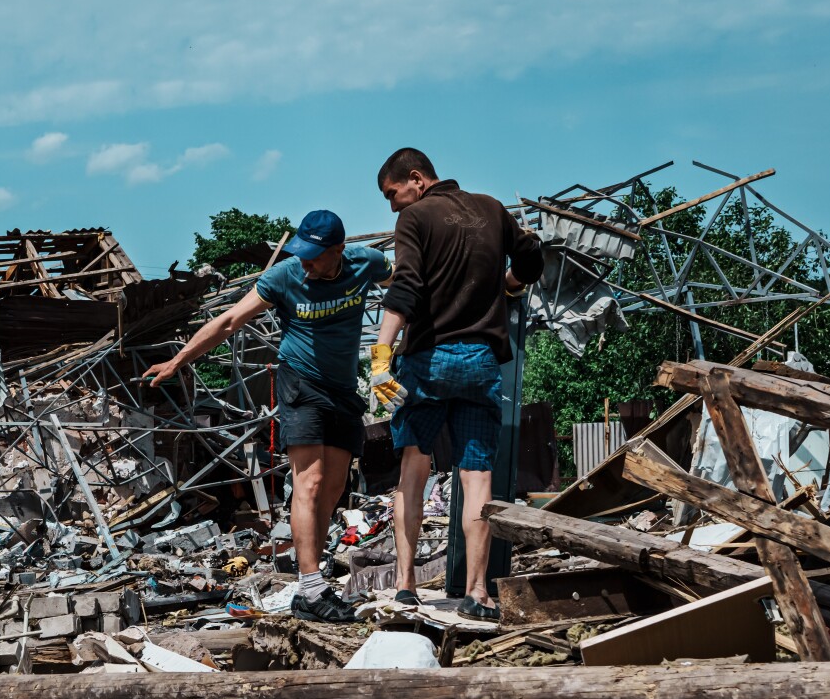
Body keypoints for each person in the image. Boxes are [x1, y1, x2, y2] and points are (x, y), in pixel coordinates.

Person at [145, 210, 391, 623]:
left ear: (338, 251)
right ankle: (311, 588)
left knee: (333, 487)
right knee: (308, 482)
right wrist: (179, 360)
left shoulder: (366, 262)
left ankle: (314, 579)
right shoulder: (284, 276)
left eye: (314, 256)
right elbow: (228, 321)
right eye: (302, 255)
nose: (306, 264)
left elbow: (403, 287)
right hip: (301, 385)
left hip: (344, 390)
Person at [368, 148, 543, 619]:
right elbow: (532, 257)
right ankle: (477, 593)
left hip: (427, 361)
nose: (392, 206)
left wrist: (381, 353)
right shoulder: (492, 208)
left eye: (392, 193)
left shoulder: (416, 219)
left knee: (412, 471)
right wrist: (508, 284)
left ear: (417, 178)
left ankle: (405, 585)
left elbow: (405, 286)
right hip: (481, 362)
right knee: (478, 478)